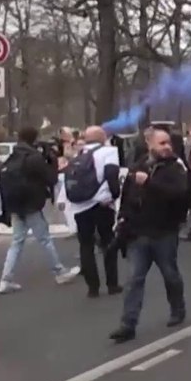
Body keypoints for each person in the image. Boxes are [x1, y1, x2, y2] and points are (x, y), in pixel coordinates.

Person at [109, 128, 189, 343]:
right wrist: (123, 218)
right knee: (134, 279)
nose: (167, 147)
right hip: (139, 233)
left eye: (168, 143)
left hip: (164, 231)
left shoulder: (176, 167)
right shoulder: (138, 166)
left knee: (170, 274)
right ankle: (128, 324)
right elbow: (127, 196)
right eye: (162, 143)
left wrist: (150, 184)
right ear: (150, 144)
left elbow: (180, 195)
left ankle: (177, 308)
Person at [0, 126, 78, 294]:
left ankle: (6, 279)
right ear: (34, 139)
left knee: (17, 242)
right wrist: (52, 160)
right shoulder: (33, 157)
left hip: (16, 205)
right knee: (44, 238)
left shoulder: (13, 157)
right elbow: (51, 178)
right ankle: (59, 271)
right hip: (31, 204)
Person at [64, 125, 123, 298]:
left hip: (80, 205)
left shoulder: (78, 155)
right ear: (102, 137)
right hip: (101, 203)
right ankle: (112, 284)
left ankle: (93, 288)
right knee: (108, 242)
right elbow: (112, 174)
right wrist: (114, 196)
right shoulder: (109, 151)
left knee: (86, 245)